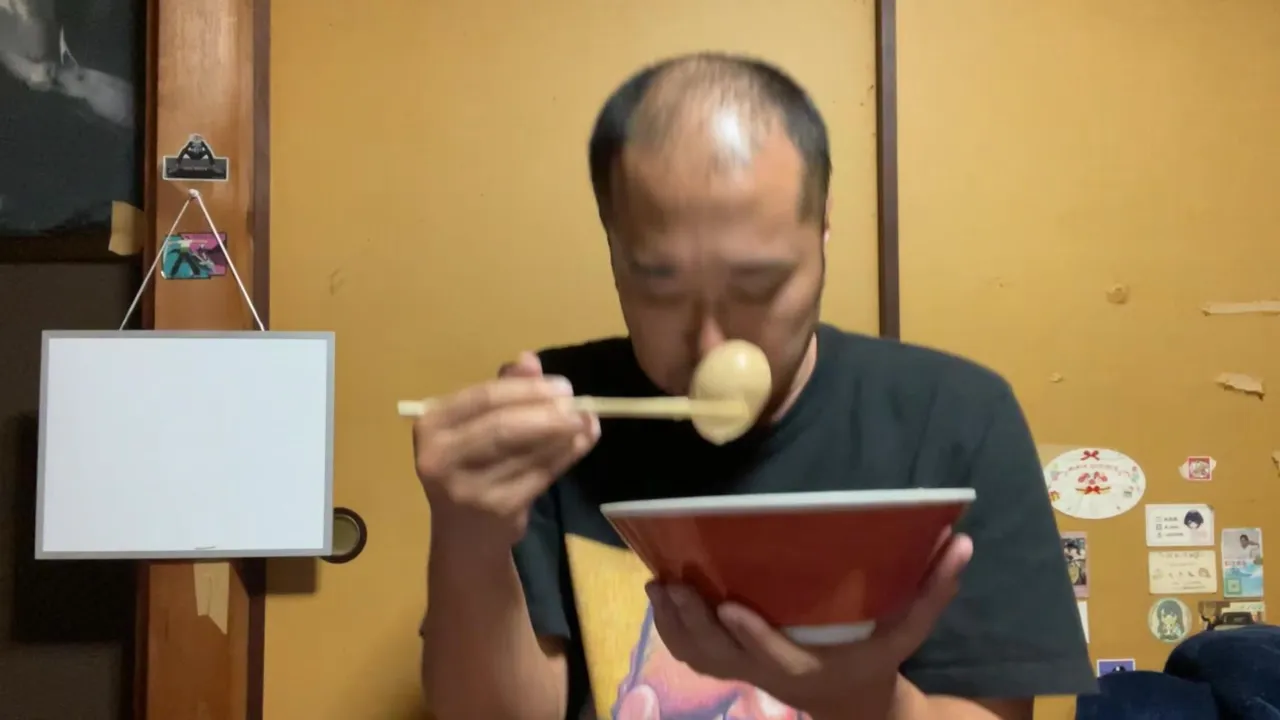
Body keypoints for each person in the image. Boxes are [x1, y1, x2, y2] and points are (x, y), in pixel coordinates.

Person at [414, 52, 1095, 720]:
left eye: (758, 286)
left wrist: (864, 702)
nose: (711, 344)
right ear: (613, 247)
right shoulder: (557, 420)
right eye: (660, 288)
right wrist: (468, 534)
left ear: (823, 226)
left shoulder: (954, 417)